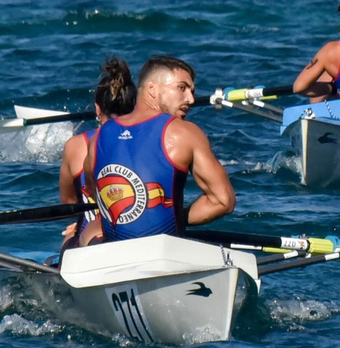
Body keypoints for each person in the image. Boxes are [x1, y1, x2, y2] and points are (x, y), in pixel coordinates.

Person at [84, 56, 235, 242]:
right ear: (152, 89)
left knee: (87, 235)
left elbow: (94, 191)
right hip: (161, 257)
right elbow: (223, 201)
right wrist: (175, 218)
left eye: (192, 91)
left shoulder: (98, 136)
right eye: (182, 88)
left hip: (111, 255)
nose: (191, 99)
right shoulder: (185, 133)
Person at [59, 57, 138, 250]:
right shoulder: (151, 141)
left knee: (69, 236)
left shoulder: (76, 146)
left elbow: (69, 203)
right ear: (134, 106)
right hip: (139, 232)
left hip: (89, 241)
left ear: (97, 108)